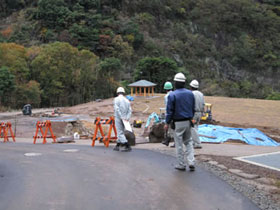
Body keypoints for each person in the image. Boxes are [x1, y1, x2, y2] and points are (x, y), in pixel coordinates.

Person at [165, 73, 195, 171]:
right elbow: (193, 108)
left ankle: (181, 164)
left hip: (177, 123)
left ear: (175, 83)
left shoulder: (172, 95)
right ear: (184, 82)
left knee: (179, 144)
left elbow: (170, 111)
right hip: (188, 121)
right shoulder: (190, 94)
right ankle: (191, 162)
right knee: (188, 142)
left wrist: (167, 122)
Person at [113, 87, 132, 152]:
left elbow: (116, 109)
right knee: (121, 131)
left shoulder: (116, 99)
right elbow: (130, 110)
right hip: (125, 118)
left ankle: (127, 145)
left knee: (119, 132)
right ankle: (117, 145)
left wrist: (121, 116)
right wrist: (127, 118)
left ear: (117, 92)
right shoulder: (127, 100)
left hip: (119, 117)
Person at [190, 80, 205, 149]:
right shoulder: (201, 94)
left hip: (194, 113)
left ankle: (197, 143)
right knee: (196, 127)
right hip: (200, 113)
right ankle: (194, 142)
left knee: (192, 128)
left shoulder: (191, 94)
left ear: (191, 87)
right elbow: (203, 104)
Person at [161, 81, 175, 147]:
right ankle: (167, 140)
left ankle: (168, 140)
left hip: (170, 113)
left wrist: (167, 117)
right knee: (174, 128)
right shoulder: (175, 94)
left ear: (165, 89)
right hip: (176, 114)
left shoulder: (166, 96)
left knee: (170, 127)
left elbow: (167, 107)